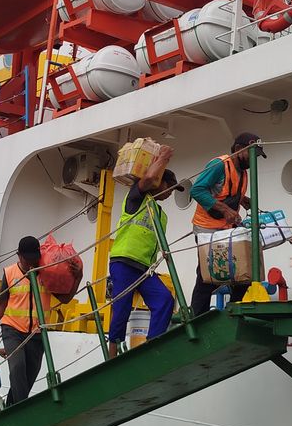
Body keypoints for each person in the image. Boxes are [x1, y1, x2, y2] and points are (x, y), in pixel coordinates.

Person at [107, 146, 181, 358]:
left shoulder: (161, 214)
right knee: (122, 307)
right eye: (170, 187)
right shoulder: (136, 198)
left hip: (144, 268)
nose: (170, 193)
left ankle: (152, 345)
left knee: (164, 299)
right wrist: (163, 159)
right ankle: (112, 353)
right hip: (124, 262)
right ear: (160, 182)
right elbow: (148, 180)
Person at [189, 133, 266, 315]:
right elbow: (197, 190)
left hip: (226, 229)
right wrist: (225, 210)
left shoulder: (243, 172)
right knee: (208, 275)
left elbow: (223, 190)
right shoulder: (219, 164)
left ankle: (233, 310)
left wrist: (242, 200)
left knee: (244, 271)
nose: (254, 159)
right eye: (252, 154)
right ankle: (197, 317)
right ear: (239, 149)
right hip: (207, 227)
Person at [0, 236, 52, 407]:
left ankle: (10, 409)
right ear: (18, 255)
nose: (31, 262)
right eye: (27, 258)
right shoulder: (9, 273)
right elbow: (1, 302)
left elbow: (65, 298)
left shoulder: (46, 271)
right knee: (17, 367)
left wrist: (78, 275)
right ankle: (23, 410)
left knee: (29, 376)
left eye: (34, 258)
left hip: (37, 333)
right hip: (12, 329)